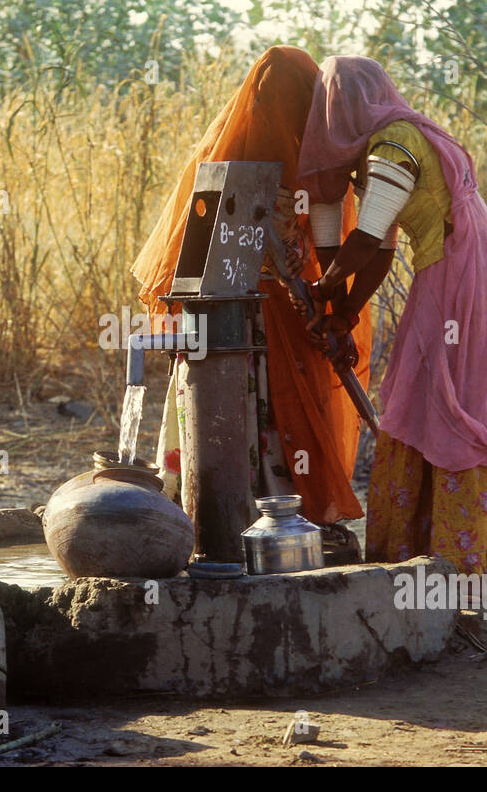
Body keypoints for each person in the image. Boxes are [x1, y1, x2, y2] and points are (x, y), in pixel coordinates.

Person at [295, 55, 487, 574]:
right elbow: (381, 250)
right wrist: (343, 312)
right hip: (482, 273)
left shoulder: (395, 143)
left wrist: (321, 288)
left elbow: (364, 238)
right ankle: (441, 553)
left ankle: (445, 555)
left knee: (442, 401)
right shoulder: (396, 141)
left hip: (463, 277)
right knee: (445, 396)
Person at [131, 46, 372, 532]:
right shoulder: (294, 168)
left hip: (214, 319)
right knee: (275, 409)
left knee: (217, 411)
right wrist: (323, 309)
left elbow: (187, 259)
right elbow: (294, 260)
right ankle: (284, 520)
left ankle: (207, 517)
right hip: (273, 319)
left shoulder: (216, 162)